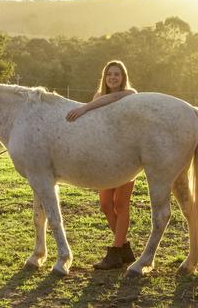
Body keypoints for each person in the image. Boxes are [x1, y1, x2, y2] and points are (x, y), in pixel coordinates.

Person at [66, 60, 138, 269]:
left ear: (123, 77)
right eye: (109, 74)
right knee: (106, 205)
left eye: (117, 74)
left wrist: (85, 107)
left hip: (126, 155)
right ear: (104, 77)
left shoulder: (129, 94)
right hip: (103, 157)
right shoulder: (97, 97)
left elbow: (112, 98)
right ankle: (124, 247)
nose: (113, 77)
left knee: (121, 204)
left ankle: (115, 251)